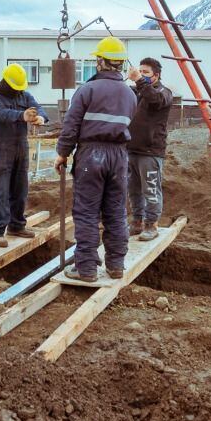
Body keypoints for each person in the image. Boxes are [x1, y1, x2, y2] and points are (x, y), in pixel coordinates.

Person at [54, 36, 137, 282]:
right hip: (119, 156)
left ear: (101, 61)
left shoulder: (87, 90)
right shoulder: (130, 95)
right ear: (120, 64)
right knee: (116, 211)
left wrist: (62, 153)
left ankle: (87, 268)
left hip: (92, 155)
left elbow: (71, 126)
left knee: (87, 212)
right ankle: (116, 265)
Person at [0, 63, 49, 247]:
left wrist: (40, 117)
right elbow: (1, 114)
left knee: (20, 190)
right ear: (6, 82)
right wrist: (22, 116)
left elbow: (39, 108)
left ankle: (16, 226)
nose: (18, 91)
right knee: (0, 190)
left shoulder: (24, 95)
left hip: (21, 146)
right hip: (1, 148)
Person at [126, 57, 173, 241]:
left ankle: (151, 224)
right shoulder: (137, 93)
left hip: (151, 151)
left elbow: (154, 100)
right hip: (132, 149)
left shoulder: (163, 92)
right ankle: (137, 222)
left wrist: (138, 80)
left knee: (151, 189)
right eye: (140, 71)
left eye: (145, 72)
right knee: (134, 190)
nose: (142, 75)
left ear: (156, 75)